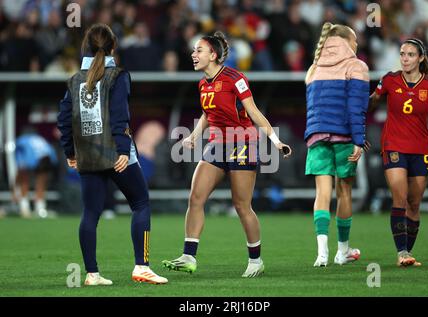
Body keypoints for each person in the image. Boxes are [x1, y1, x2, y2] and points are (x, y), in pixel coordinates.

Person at [162, 31, 292, 278]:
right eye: (194, 50)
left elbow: (253, 112)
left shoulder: (235, 78)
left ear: (213, 55)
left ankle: (256, 261)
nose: (193, 54)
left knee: (242, 205)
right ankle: (189, 256)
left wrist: (275, 141)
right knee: (196, 197)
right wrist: (194, 136)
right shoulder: (202, 83)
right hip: (217, 143)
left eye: (199, 50)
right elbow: (206, 114)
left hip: (243, 142)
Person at [57, 23, 167, 286]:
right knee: (140, 203)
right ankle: (142, 267)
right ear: (113, 48)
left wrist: (70, 152)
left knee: (91, 213)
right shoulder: (118, 75)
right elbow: (120, 116)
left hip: (87, 155)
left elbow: (64, 119)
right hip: (116, 154)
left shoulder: (74, 80)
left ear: (86, 48)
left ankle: (92, 274)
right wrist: (120, 150)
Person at [371, 38, 428, 267]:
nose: (405, 58)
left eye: (410, 54)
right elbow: (372, 101)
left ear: (421, 58)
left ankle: (408, 253)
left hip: (421, 150)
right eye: (402, 54)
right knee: (400, 197)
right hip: (394, 146)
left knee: (414, 203)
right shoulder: (389, 80)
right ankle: (401, 252)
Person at [304, 22, 369, 267]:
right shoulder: (356, 66)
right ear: (347, 42)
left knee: (322, 193)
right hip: (343, 137)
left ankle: (321, 253)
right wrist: (359, 140)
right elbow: (356, 108)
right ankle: (342, 252)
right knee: (344, 192)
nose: (357, 45)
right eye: (354, 41)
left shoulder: (313, 69)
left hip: (316, 135)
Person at [14, 129, 57, 218]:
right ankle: (40, 208)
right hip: (48, 158)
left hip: (32, 157)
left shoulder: (22, 139)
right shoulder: (40, 138)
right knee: (41, 181)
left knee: (24, 180)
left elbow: (20, 157)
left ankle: (24, 208)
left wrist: (14, 187)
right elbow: (51, 151)